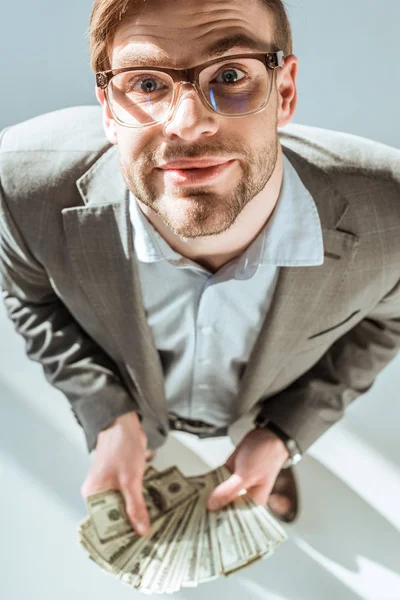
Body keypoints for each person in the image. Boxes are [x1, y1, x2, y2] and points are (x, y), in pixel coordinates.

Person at [1, 0, 400, 538]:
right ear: (106, 108)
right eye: (145, 84)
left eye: (231, 74)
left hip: (266, 407)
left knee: (269, 448)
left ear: (283, 91)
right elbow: (32, 298)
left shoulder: (391, 218)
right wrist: (107, 414)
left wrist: (285, 433)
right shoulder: (18, 191)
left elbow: (386, 321)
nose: (187, 126)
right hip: (137, 403)